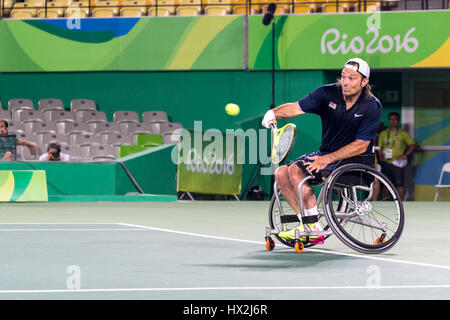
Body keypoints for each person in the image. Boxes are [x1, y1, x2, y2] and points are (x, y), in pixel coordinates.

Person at [261, 58, 382, 242]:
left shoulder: (372, 106)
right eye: (343, 77)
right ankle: (308, 223)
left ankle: (313, 228)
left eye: (352, 78)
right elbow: (296, 107)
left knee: (295, 170)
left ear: (364, 82)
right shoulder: (326, 93)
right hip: (327, 154)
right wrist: (273, 113)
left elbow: (361, 145)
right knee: (281, 173)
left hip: (356, 163)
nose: (346, 82)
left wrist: (327, 159)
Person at [377, 112, 415, 201]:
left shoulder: (403, 133)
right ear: (388, 120)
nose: (392, 121)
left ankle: (401, 203)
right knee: (386, 185)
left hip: (397, 163)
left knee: (399, 185)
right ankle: (384, 202)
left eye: (395, 119)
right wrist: (381, 159)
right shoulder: (383, 133)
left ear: (398, 121)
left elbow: (412, 145)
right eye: (390, 119)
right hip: (386, 162)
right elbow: (380, 147)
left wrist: (405, 155)